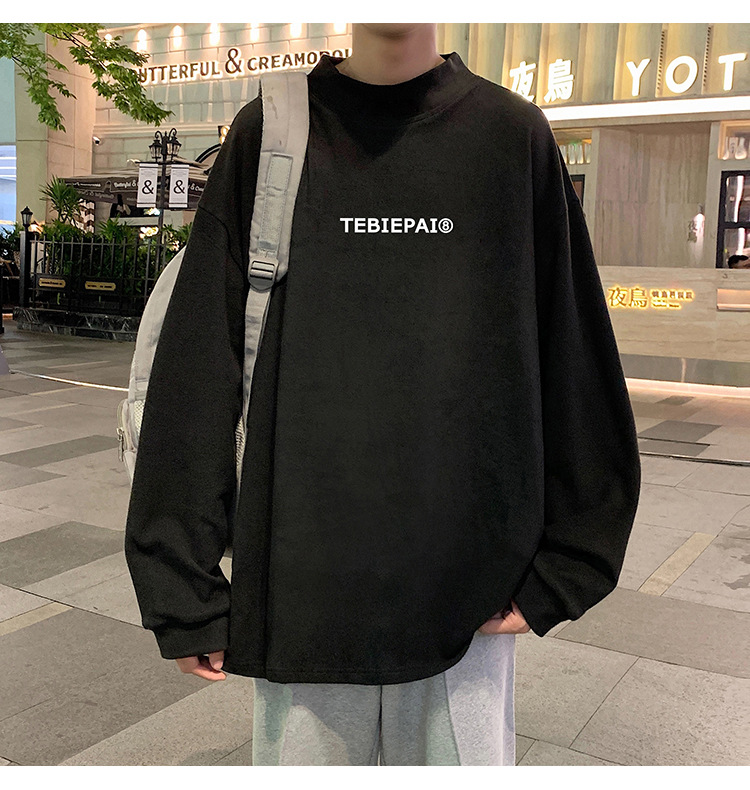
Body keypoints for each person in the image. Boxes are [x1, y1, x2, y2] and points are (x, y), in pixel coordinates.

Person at [124, 22, 641, 766]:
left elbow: (572, 349)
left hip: (467, 593)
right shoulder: (272, 131)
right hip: (301, 589)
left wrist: (570, 564)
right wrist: (180, 580)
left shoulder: (510, 135)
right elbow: (200, 359)